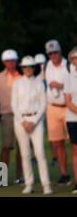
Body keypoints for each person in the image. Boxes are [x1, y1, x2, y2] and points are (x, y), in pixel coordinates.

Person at [11, 56, 52, 195]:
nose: (28, 69)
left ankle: (46, 185)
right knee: (25, 154)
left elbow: (43, 104)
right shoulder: (17, 83)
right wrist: (23, 121)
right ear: (22, 68)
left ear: (33, 68)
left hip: (36, 121)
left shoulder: (40, 82)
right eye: (25, 67)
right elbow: (14, 105)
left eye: (30, 67)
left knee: (40, 153)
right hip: (20, 121)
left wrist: (33, 121)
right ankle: (29, 184)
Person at [0, 49, 24, 184]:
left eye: (13, 60)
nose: (11, 63)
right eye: (8, 61)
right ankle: (2, 177)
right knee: (6, 147)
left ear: (16, 61)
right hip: (7, 115)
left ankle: (19, 177)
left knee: (22, 147)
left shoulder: (22, 77)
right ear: (4, 62)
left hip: (21, 115)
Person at [44, 39, 71, 186]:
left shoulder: (68, 65)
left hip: (68, 107)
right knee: (57, 143)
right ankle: (64, 174)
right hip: (52, 107)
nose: (53, 55)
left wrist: (61, 86)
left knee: (75, 143)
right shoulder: (47, 66)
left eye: (55, 52)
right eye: (50, 53)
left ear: (60, 51)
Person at [63, 46, 77, 194]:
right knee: (75, 151)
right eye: (75, 59)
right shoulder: (68, 77)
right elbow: (68, 101)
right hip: (73, 119)